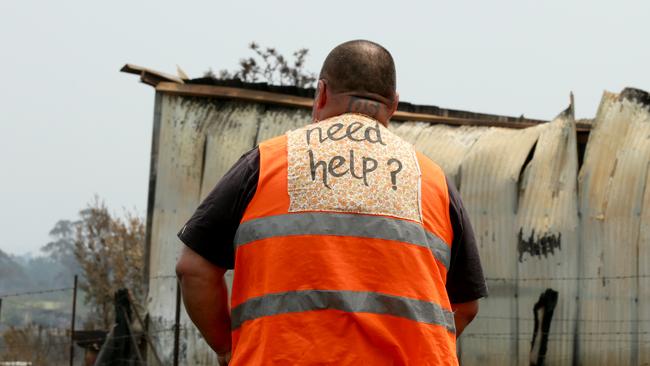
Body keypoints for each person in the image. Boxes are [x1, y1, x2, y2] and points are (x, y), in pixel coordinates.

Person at [175, 40, 487, 366]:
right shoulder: (433, 179)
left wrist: (229, 347)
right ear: (392, 105)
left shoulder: (266, 162)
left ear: (321, 93)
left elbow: (193, 269)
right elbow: (465, 305)